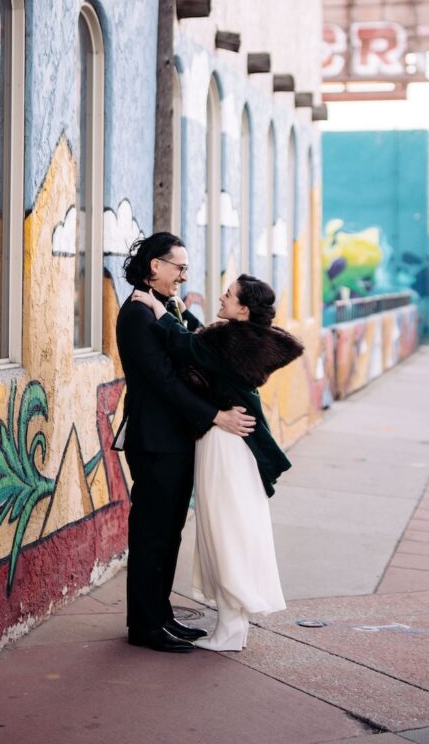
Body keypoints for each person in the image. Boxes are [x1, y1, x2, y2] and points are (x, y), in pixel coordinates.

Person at [131, 273, 303, 651]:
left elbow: (186, 346)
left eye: (229, 294)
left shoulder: (229, 342)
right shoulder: (247, 340)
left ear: (243, 308)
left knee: (224, 529)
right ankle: (232, 625)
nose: (221, 297)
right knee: (231, 527)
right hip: (229, 444)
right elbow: (200, 340)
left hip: (225, 443)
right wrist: (179, 312)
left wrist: (159, 308)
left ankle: (229, 627)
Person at [115, 232, 256, 653]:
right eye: (179, 267)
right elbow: (163, 380)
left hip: (174, 439)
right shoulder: (137, 313)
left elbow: (195, 349)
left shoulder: (164, 307)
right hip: (155, 441)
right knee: (151, 535)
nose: (183, 276)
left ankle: (160, 615)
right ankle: (143, 626)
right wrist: (216, 416)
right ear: (154, 266)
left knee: (170, 531)